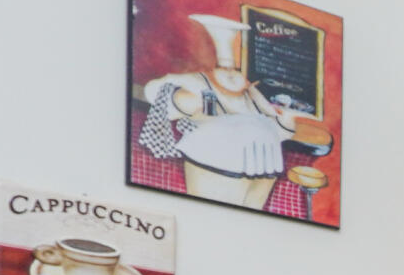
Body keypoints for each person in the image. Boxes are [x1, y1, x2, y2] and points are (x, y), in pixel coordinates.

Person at [134, 13, 332, 211]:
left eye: (234, 71)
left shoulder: (250, 92)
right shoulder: (197, 83)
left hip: (264, 164)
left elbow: (277, 129)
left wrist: (287, 119)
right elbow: (156, 93)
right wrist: (184, 101)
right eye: (226, 71)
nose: (232, 76)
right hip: (219, 161)